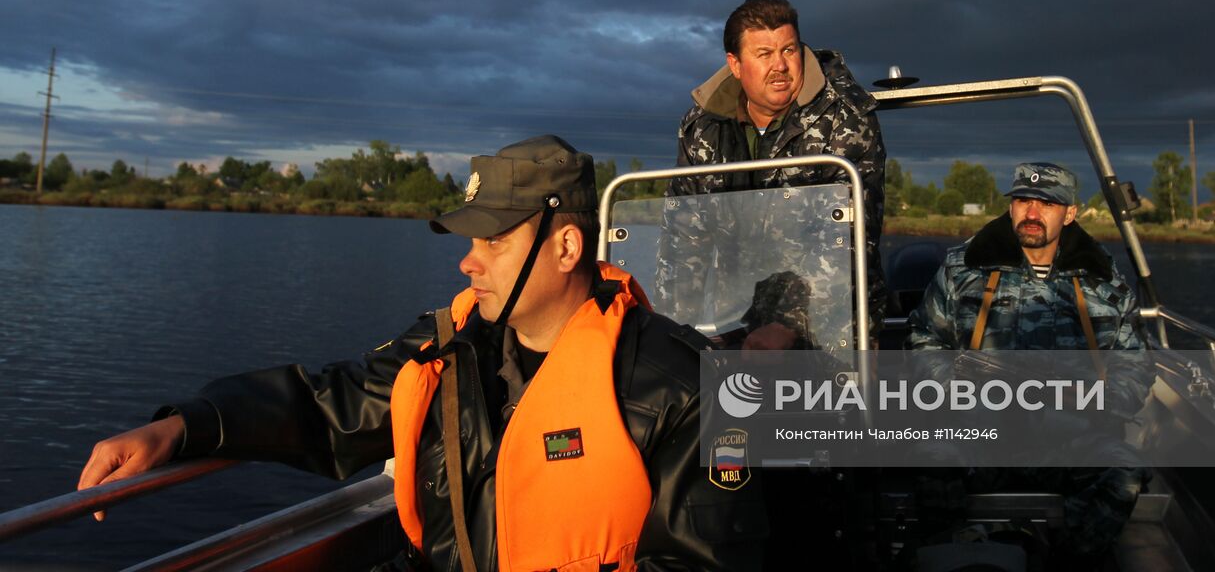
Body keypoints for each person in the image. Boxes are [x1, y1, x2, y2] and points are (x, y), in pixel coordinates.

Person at [79, 135, 766, 572]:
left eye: (493, 241)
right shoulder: (446, 354)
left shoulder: (684, 386)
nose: (468, 263)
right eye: (468, 241)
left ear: (566, 247)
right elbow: (329, 409)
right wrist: (183, 425)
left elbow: (702, 561)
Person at [907, 161, 1151, 566]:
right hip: (980, 431)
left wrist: (1095, 402)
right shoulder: (964, 266)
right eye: (1023, 201)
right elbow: (923, 338)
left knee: (1124, 470)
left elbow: (1135, 364)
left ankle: (1067, 560)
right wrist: (956, 393)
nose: (1032, 213)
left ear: (1070, 213)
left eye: (1047, 204)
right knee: (930, 455)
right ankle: (953, 555)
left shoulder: (1102, 279)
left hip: (1068, 436)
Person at [657, 0, 889, 350]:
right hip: (734, 324)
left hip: (831, 333)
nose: (780, 65)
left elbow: (849, 239)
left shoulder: (846, 117)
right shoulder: (702, 126)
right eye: (764, 54)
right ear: (735, 64)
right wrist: (668, 329)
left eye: (789, 50)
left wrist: (789, 324)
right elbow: (684, 234)